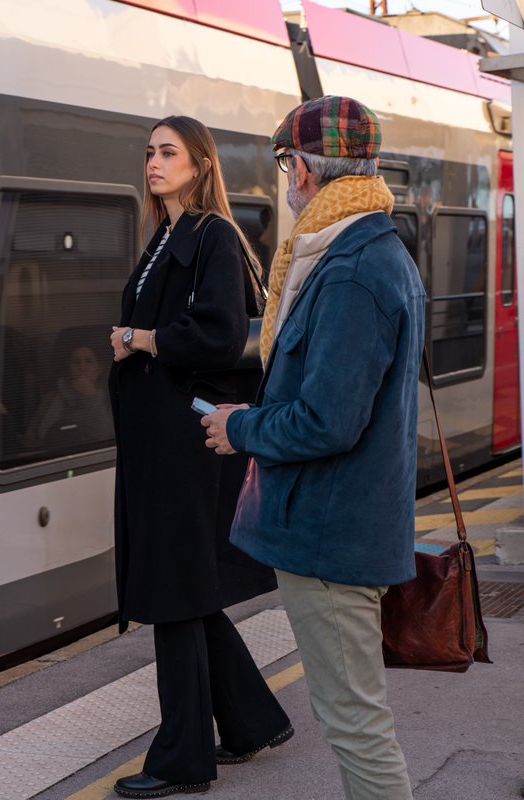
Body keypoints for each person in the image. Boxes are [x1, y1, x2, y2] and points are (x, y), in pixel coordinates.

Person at [201, 96, 422, 800]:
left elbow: (328, 421)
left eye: (285, 169)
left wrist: (239, 427)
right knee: (353, 718)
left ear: (300, 170)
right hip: (341, 529)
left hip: (332, 539)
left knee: (356, 724)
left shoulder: (352, 271)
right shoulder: (367, 250)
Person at [109, 116, 292, 799]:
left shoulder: (212, 236)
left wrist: (142, 339)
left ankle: (183, 760)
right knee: (182, 586)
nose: (153, 163)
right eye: (149, 151)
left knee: (175, 591)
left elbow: (217, 333)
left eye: (167, 153)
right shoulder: (167, 234)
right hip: (161, 444)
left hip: (186, 445)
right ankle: (250, 720)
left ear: (198, 164)